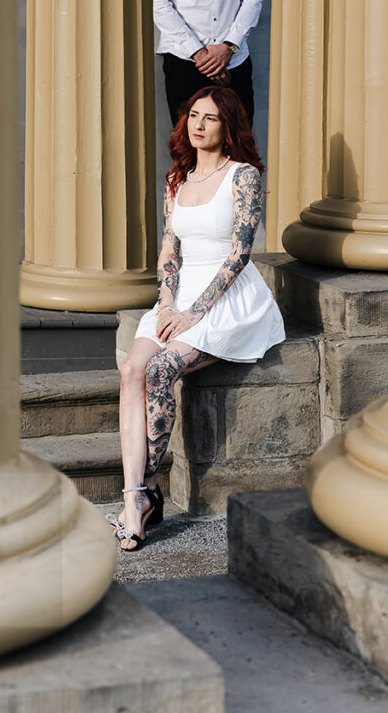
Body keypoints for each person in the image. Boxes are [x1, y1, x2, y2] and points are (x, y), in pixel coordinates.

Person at [110, 87, 285, 551]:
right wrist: (167, 305)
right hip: (181, 293)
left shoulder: (242, 176)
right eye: (193, 115)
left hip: (228, 297)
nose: (198, 124)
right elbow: (170, 248)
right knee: (132, 370)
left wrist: (193, 313)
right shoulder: (178, 179)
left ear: (229, 127)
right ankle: (136, 496)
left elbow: (240, 254)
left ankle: (143, 496)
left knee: (162, 368)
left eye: (210, 117)